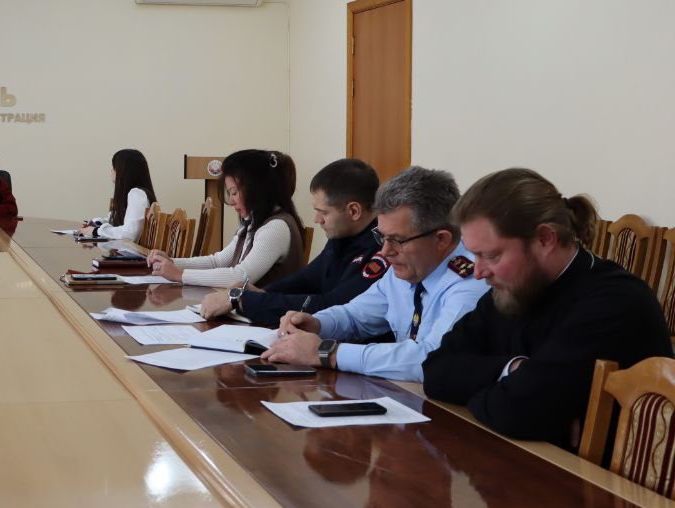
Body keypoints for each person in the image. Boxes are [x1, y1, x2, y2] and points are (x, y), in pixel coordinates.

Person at [423, 168, 671, 448]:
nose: (478, 272)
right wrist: (513, 368)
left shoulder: (616, 302)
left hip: (591, 474)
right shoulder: (511, 289)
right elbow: (435, 371)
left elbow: (517, 412)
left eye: (491, 255)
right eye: (474, 255)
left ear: (545, 239)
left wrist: (487, 390)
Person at [263, 166, 489, 382]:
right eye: (382, 237)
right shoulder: (409, 268)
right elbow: (355, 316)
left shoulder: (471, 281)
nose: (385, 251)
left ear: (441, 240)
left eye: (397, 240)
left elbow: (431, 358)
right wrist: (317, 323)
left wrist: (327, 353)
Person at [199, 158, 384, 321]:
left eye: (323, 212)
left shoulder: (381, 249)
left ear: (353, 211)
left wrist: (243, 300)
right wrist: (262, 293)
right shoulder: (344, 235)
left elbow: (332, 305)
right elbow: (307, 279)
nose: (317, 220)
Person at [147, 149, 304, 288]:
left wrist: (180, 275)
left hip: (265, 312)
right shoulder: (254, 223)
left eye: (234, 193)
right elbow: (218, 261)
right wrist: (172, 262)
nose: (231, 201)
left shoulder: (276, 227)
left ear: (257, 190)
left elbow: (241, 276)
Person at [77, 148, 157, 242]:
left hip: (133, 250)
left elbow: (130, 233)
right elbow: (115, 221)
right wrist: (96, 224)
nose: (111, 171)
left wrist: (96, 231)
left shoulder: (137, 194)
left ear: (123, 171)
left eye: (114, 167)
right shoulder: (132, 194)